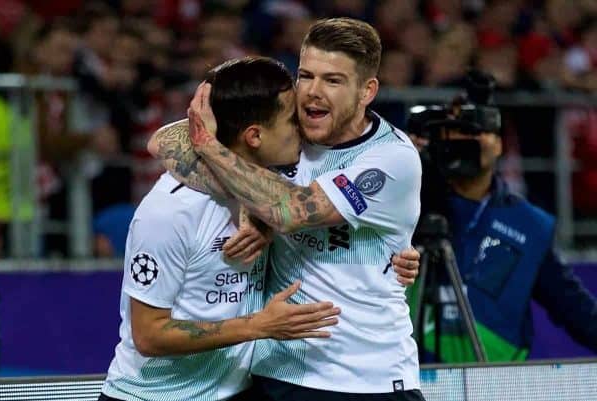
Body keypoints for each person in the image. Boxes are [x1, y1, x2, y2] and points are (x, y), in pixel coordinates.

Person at [150, 17, 425, 401]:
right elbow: (164, 143)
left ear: (367, 91)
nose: (312, 92)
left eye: (333, 81)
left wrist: (214, 150)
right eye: (306, 75)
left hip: (364, 377)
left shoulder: (389, 159)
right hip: (275, 371)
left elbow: (291, 212)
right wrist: (254, 211)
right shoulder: (284, 128)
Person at [99, 56, 343, 401]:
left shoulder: (279, 187)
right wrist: (260, 326)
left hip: (237, 392)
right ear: (254, 135)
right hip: (154, 396)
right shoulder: (171, 211)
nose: (302, 129)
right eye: (291, 120)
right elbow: (149, 335)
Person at [407, 74, 597, 363]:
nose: (466, 142)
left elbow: (573, 308)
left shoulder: (530, 225)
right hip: (410, 374)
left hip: (493, 381)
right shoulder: (406, 204)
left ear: (499, 143)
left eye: (476, 133)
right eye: (456, 133)